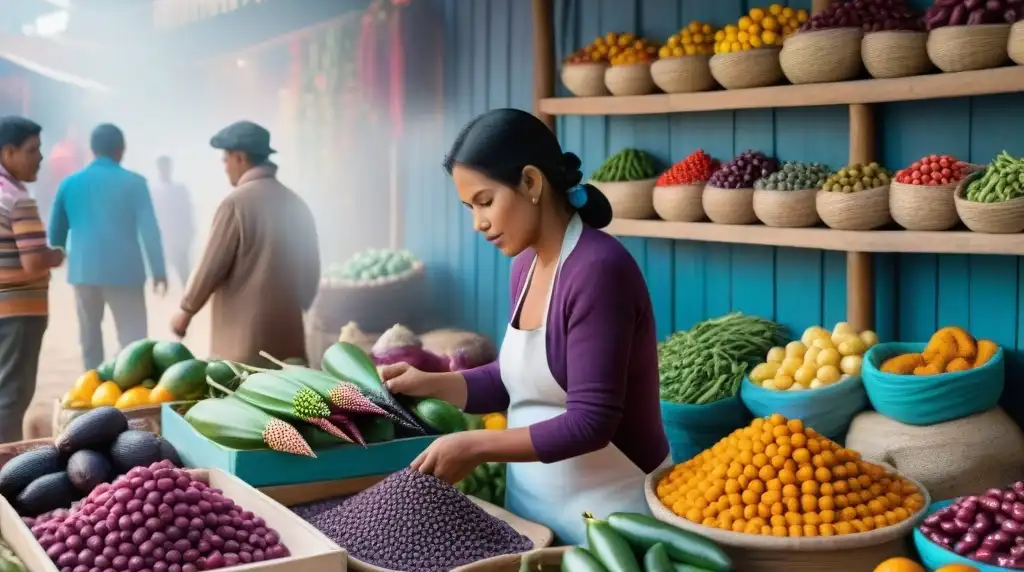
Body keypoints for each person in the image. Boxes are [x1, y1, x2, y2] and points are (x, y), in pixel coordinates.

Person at [380, 108, 669, 545]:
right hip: (533, 518)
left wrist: (473, 448)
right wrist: (432, 382)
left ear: (531, 183)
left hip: (610, 524)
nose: (478, 222)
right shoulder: (525, 266)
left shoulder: (599, 269)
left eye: (485, 201)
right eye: (469, 207)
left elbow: (592, 423)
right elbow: (515, 380)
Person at [170, 121, 320, 366]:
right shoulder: (296, 204)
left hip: (242, 349)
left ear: (239, 157)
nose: (224, 166)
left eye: (225, 159)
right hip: (288, 343)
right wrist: (298, 302)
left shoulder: (235, 203)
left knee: (240, 399)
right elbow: (311, 270)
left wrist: (186, 311)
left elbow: (211, 266)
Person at [48, 124, 167, 371]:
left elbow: (56, 234)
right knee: (133, 340)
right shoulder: (135, 183)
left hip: (83, 272)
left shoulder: (69, 184)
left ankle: (94, 391)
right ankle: (128, 392)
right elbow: (150, 231)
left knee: (90, 338)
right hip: (125, 273)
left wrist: (61, 256)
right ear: (120, 149)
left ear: (92, 150)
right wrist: (159, 270)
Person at [0, 117, 65, 442]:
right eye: (32, 150)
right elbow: (34, 263)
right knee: (12, 395)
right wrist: (56, 254)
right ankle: (5, 467)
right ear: (8, 152)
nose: (40, 157)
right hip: (18, 313)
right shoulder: (16, 198)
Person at [151, 156, 195, 288]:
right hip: (163, 238)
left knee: (185, 274)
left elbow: (188, 213)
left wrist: (189, 234)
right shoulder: (155, 191)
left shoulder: (179, 190)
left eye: (166, 167)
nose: (164, 170)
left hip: (179, 238)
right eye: (162, 167)